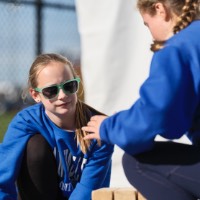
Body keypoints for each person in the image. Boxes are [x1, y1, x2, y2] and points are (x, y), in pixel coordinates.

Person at [82, 0, 200, 199]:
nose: (150, 33)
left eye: (147, 24)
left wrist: (107, 127)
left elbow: (152, 117)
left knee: (136, 163)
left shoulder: (176, 50)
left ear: (159, 9)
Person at [0, 53, 114, 200]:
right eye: (51, 91)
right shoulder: (26, 121)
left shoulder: (98, 128)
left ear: (77, 85)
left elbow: (87, 190)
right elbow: (3, 175)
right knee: (35, 146)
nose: (62, 95)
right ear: (35, 95)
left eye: (69, 86)